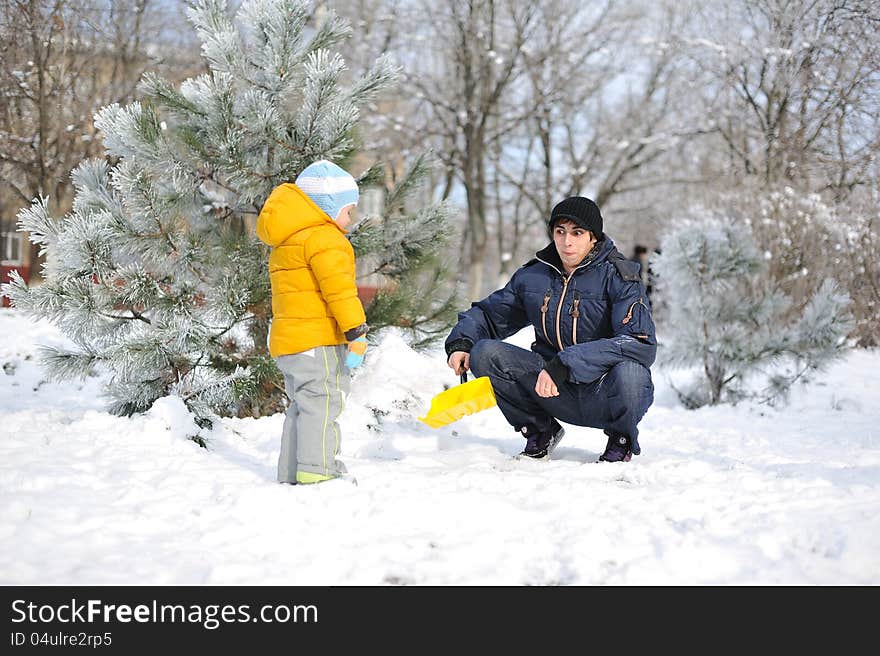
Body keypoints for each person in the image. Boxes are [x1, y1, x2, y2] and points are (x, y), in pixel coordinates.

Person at [445, 196, 655, 462]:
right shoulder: (534, 276)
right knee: (485, 352)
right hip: (550, 390)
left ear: (593, 237)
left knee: (632, 374)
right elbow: (489, 314)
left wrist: (565, 363)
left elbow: (639, 342)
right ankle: (541, 430)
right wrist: (462, 342)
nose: (567, 242)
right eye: (560, 232)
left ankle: (621, 439)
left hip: (603, 391)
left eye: (577, 233)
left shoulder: (619, 276)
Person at [257, 160, 369, 484]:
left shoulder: (287, 240)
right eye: (348, 211)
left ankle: (293, 470)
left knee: (302, 404)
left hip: (289, 342)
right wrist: (356, 332)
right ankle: (319, 470)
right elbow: (341, 292)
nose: (350, 220)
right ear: (329, 207)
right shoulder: (326, 239)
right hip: (317, 339)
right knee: (323, 401)